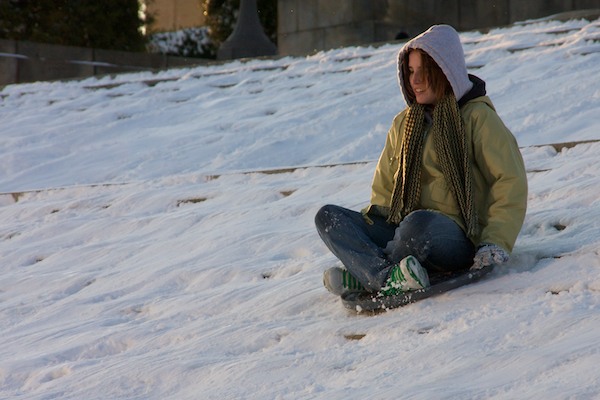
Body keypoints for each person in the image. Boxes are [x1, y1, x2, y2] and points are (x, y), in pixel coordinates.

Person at [315, 25, 528, 297]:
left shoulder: (477, 119)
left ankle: (365, 274)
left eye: (423, 72)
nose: (414, 80)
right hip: (402, 231)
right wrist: (370, 231)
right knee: (328, 217)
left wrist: (495, 242)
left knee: (419, 224)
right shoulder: (404, 124)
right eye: (410, 72)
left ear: (445, 70)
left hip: (454, 238)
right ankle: (383, 277)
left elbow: (509, 181)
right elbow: (383, 194)